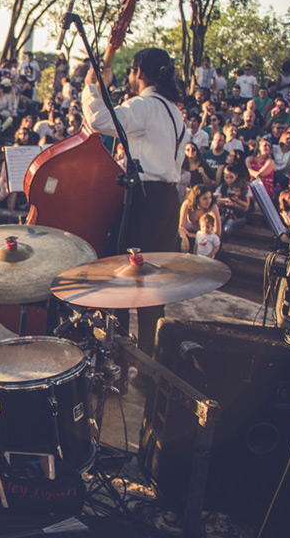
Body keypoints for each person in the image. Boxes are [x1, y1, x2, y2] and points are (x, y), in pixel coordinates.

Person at [82, 46, 186, 356]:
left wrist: (90, 85)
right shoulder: (174, 111)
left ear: (139, 72)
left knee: (125, 278)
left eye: (131, 71)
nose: (130, 76)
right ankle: (149, 364)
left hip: (144, 199)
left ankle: (120, 361)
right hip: (168, 199)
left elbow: (100, 119)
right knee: (153, 287)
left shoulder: (144, 105)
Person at [179, 184, 222, 253]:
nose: (208, 201)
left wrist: (199, 235)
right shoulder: (187, 204)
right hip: (189, 234)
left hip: (206, 235)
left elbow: (217, 232)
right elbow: (181, 227)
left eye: (210, 197)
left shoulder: (213, 207)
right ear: (197, 199)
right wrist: (184, 238)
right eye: (205, 199)